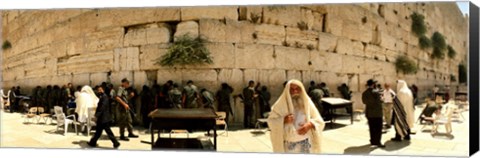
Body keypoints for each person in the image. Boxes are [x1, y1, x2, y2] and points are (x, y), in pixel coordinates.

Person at [267, 79, 325, 153]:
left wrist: (310, 124)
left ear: (301, 89)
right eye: (292, 89)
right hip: (288, 144)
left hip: (306, 142)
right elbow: (271, 121)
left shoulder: (307, 103)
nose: (295, 91)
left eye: (297, 89)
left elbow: (319, 121)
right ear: (287, 90)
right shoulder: (279, 105)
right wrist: (284, 120)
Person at [362, 79, 385, 148]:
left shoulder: (364, 93)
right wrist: (382, 100)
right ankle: (377, 142)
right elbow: (379, 102)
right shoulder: (376, 92)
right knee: (378, 128)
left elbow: (364, 102)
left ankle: (372, 141)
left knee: (372, 128)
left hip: (369, 113)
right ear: (373, 84)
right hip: (377, 113)